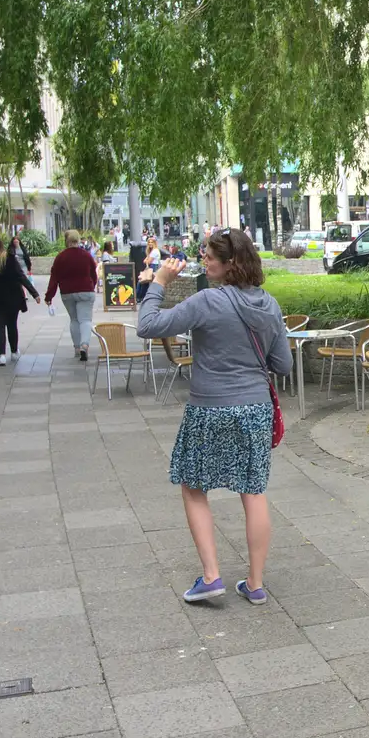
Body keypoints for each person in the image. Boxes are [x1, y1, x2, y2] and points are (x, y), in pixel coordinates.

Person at [136, 229, 291, 606]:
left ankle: (211, 577)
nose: (203, 261)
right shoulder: (268, 305)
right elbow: (283, 364)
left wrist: (157, 282)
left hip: (210, 407)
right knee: (253, 491)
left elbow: (147, 325)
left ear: (230, 263)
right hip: (255, 407)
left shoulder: (207, 301)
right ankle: (254, 584)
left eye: (209, 257)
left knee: (193, 486)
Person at [0, 234, 40, 365]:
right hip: (12, 296)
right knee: (12, 325)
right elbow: (20, 276)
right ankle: (14, 352)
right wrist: (34, 293)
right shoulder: (8, 258)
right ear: (1, 244)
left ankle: (1, 355)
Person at [46, 228, 99, 362]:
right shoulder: (86, 256)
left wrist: (49, 296)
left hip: (67, 292)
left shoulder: (60, 257)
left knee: (74, 319)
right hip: (86, 290)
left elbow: (54, 278)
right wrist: (91, 287)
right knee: (85, 320)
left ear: (66, 241)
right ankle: (84, 345)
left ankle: (76, 348)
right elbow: (94, 274)